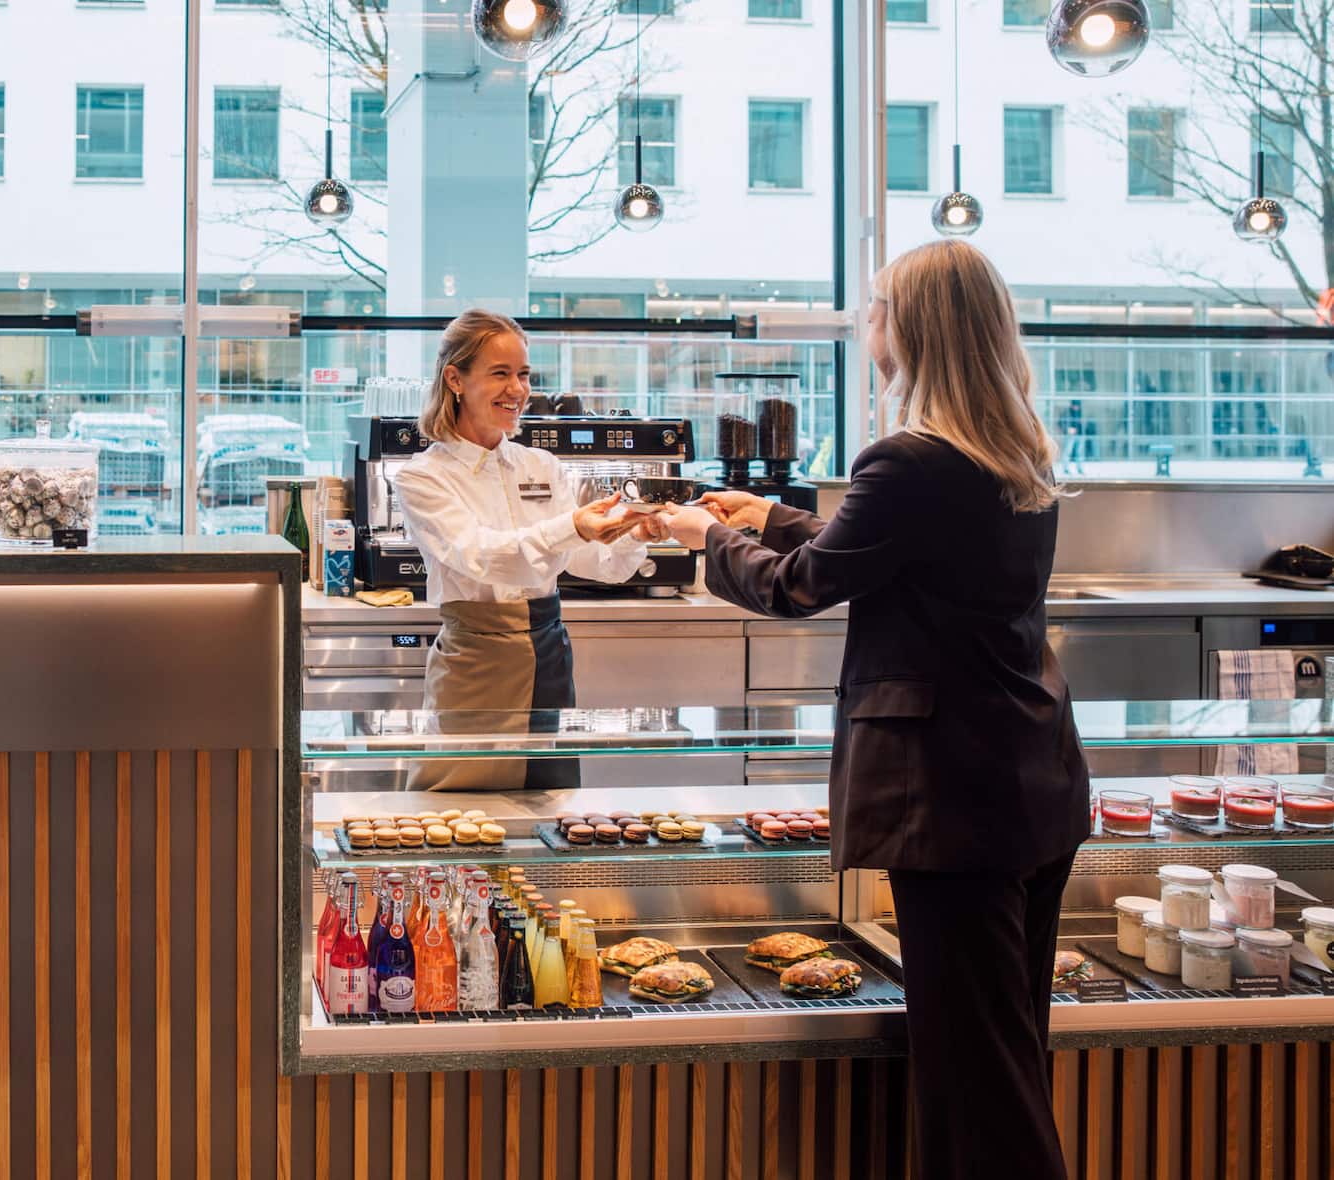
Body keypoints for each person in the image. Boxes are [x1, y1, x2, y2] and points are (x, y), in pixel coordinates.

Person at [653, 240, 1089, 1180]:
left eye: (878, 310)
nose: (869, 328)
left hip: (953, 805)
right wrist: (767, 518)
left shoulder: (908, 459)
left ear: (912, 330)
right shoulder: (1012, 451)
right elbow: (884, 554)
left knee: (981, 1089)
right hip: (1032, 785)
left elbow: (802, 589)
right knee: (1003, 1057)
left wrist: (706, 537)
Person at [394, 309, 652, 790]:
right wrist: (573, 524)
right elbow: (482, 555)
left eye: (523, 374)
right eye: (500, 374)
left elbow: (598, 564)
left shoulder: (541, 466)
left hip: (549, 655)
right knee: (458, 811)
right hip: (475, 663)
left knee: (550, 809)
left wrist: (635, 533)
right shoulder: (422, 477)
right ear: (455, 378)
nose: (517, 389)